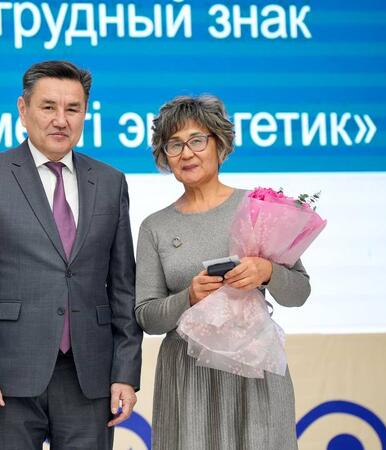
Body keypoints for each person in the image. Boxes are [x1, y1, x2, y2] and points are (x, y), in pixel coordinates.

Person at [0, 60, 143, 450]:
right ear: (23, 109)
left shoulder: (111, 181)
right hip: (4, 377)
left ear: (85, 113)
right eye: (48, 107)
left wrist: (125, 371)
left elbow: (123, 288)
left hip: (90, 378)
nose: (60, 120)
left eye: (73, 109)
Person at [134, 95, 310, 450]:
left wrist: (268, 271)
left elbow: (299, 293)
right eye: (174, 145)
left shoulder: (258, 209)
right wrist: (188, 297)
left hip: (254, 371)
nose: (186, 153)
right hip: (188, 377)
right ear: (164, 156)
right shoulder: (155, 227)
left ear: (220, 144)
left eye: (197, 141)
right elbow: (147, 317)